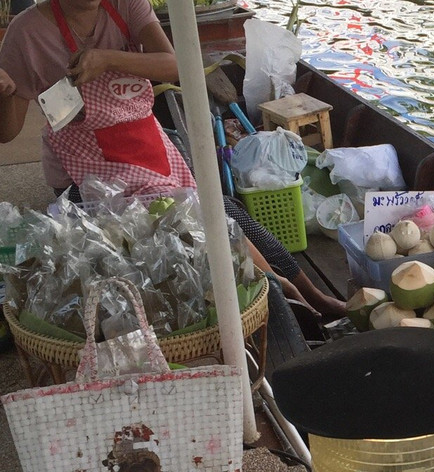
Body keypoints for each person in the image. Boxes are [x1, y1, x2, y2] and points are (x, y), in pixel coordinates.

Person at [0, 0, 345, 318]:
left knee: (222, 208)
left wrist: (108, 58)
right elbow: (8, 132)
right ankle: (275, 290)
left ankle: (309, 294)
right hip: (86, 178)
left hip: (147, 145)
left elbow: (175, 65)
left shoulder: (125, 5)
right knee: (179, 234)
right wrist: (6, 93)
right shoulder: (27, 33)